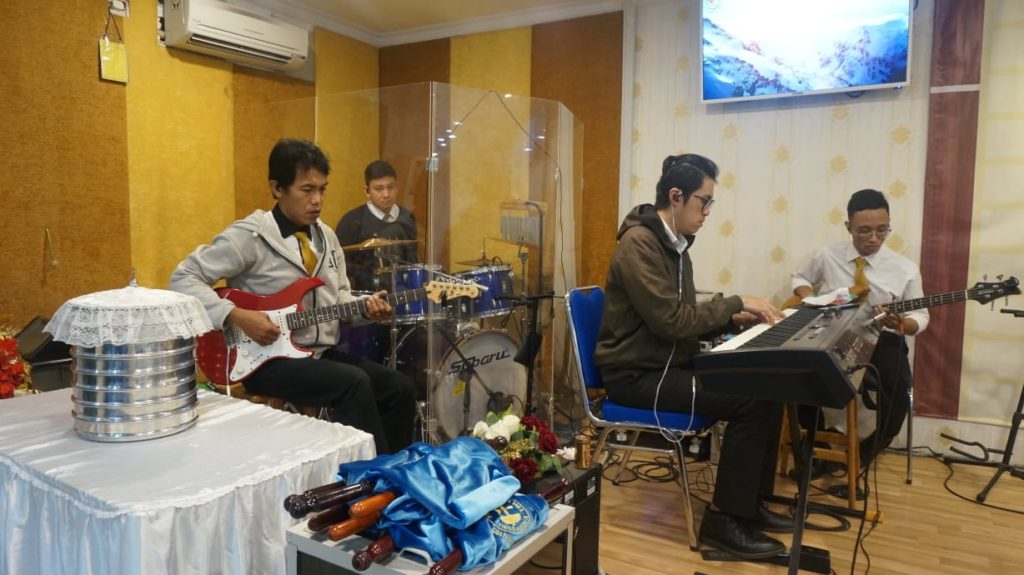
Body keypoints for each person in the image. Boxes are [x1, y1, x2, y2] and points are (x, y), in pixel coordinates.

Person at [595, 153, 791, 559]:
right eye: (704, 201)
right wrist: (736, 301)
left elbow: (681, 319)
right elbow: (672, 322)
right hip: (635, 376)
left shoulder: (675, 246)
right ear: (676, 197)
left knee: (768, 387)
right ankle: (723, 521)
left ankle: (748, 503)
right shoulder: (639, 245)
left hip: (663, 365)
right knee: (751, 401)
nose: (707, 212)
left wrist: (731, 319)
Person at [170, 139, 416, 455]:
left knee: (399, 387)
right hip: (261, 361)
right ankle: (367, 476)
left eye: (322, 190)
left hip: (317, 355)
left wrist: (365, 310)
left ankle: (396, 469)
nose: (317, 200)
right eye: (307, 190)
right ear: (277, 188)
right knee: (353, 383)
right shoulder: (250, 236)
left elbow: (338, 298)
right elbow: (183, 278)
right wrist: (234, 315)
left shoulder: (327, 237)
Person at [791, 188, 928, 471]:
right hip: (831, 333)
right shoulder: (828, 255)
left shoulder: (904, 268)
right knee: (797, 374)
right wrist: (810, 298)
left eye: (882, 230)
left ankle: (862, 457)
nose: (874, 238)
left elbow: (921, 316)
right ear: (849, 227)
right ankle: (817, 448)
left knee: (899, 392)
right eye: (864, 230)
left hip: (882, 337)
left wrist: (902, 323)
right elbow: (800, 277)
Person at [335, 160, 419, 291]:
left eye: (390, 187)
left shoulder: (407, 217)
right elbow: (340, 266)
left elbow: (413, 259)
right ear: (367, 191)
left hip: (404, 291)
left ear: (397, 186)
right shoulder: (351, 221)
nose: (386, 194)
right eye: (378, 189)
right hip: (366, 295)